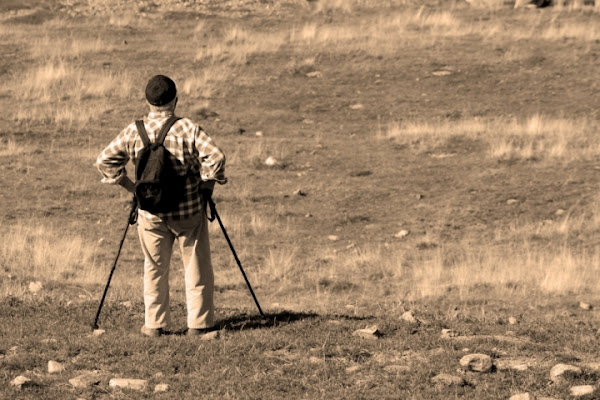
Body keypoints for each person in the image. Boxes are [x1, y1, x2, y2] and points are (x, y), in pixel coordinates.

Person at [96, 75, 227, 337]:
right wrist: (207, 186)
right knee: (196, 266)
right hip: (188, 210)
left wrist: (131, 188)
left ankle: (154, 326)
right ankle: (199, 326)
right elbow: (216, 157)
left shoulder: (135, 130)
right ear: (175, 100)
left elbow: (104, 160)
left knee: (154, 267)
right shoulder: (188, 128)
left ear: (148, 101)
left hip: (149, 212)